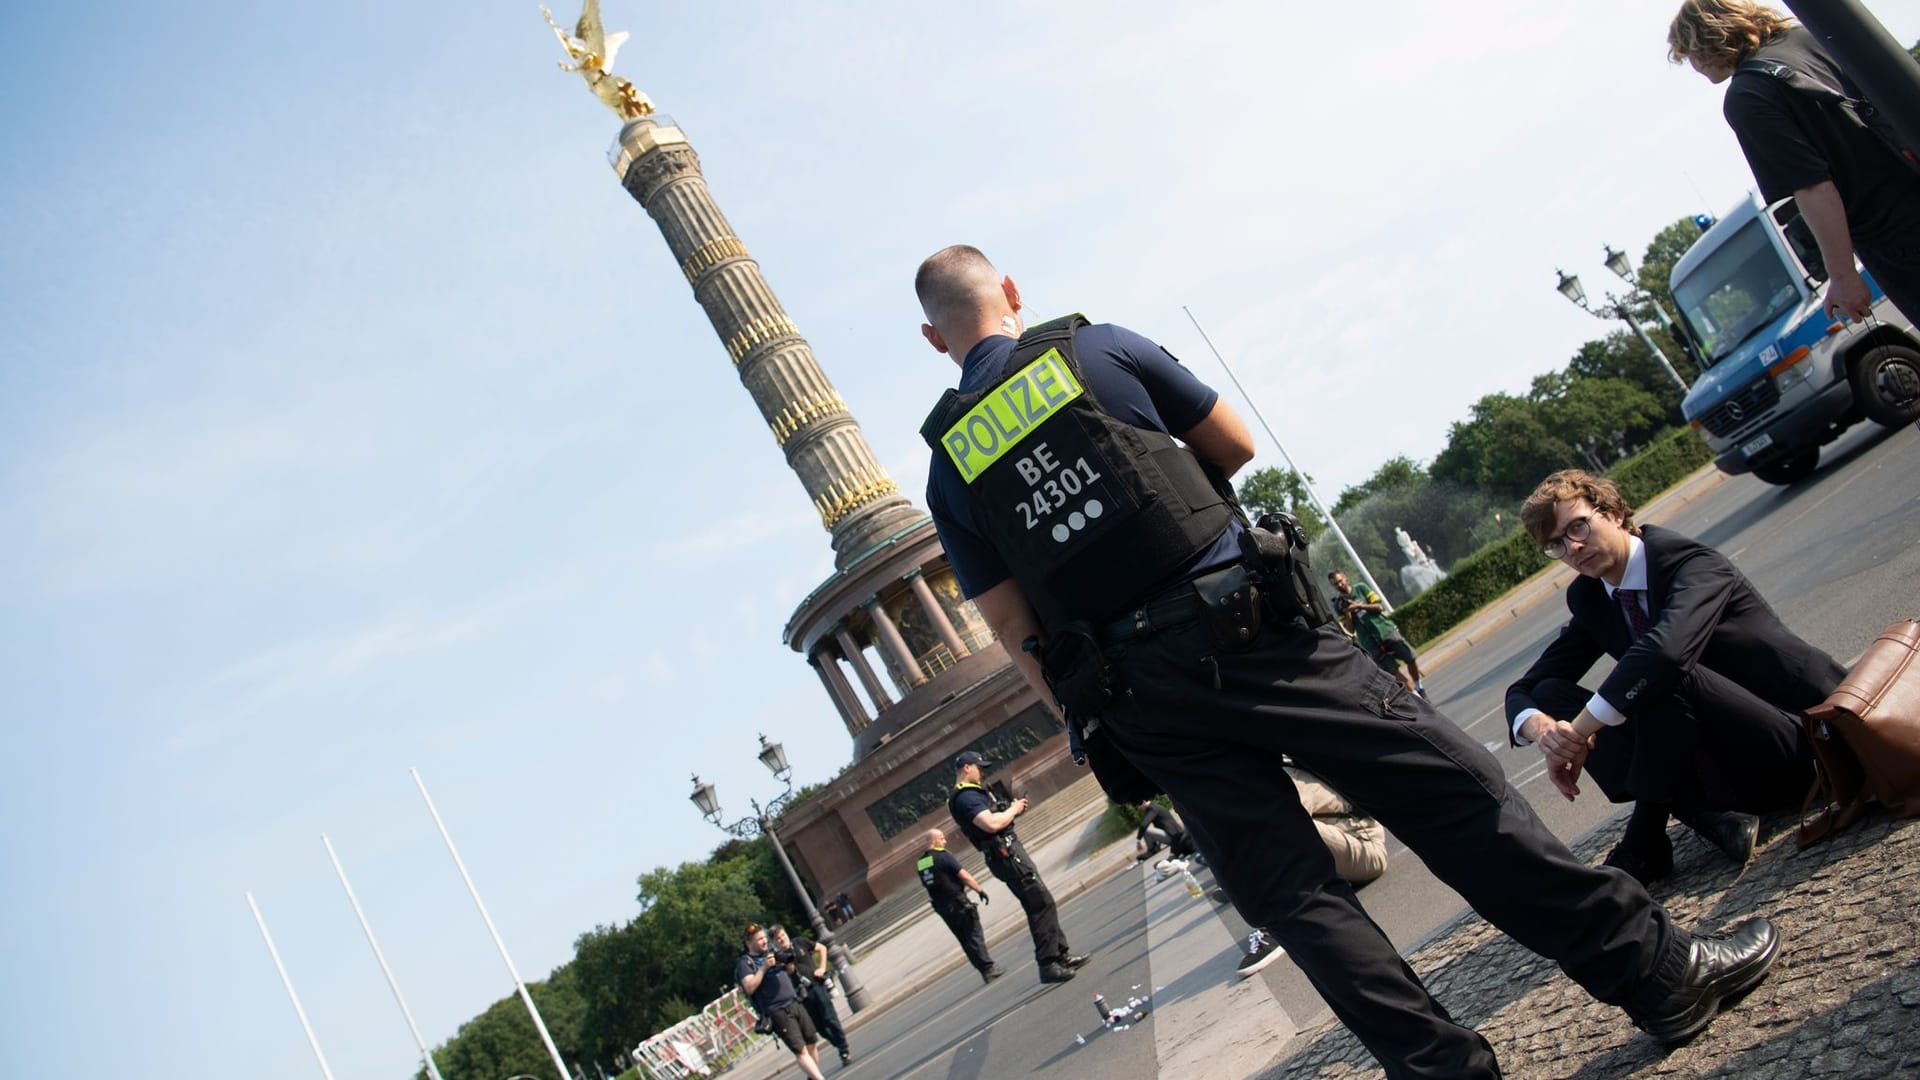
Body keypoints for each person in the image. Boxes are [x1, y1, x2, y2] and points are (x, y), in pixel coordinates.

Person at [913, 245, 1781, 1078]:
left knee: (1293, 896)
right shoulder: (1099, 348)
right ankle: (1656, 975)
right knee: (1448, 795)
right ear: (1013, 292)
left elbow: (1014, 627)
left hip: (1144, 694)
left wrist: (1099, 712)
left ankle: (1441, 1070)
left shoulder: (950, 466)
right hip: (1258, 630)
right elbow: (1235, 445)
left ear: (933, 339)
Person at [1505, 469, 1844, 884]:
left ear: (1612, 512)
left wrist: (1579, 731)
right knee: (1550, 692)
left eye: (1578, 526)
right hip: (1721, 767)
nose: (1573, 547)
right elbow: (1525, 688)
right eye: (1555, 544)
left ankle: (1644, 843)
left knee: (1660, 672)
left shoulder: (1691, 563)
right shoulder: (1591, 596)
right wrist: (1546, 733)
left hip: (1797, 744)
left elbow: (1665, 654)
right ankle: (1704, 816)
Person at [1669, 0, 1920, 324]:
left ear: (1707, 41)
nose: (1694, 66)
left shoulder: (1747, 96)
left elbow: (1815, 187)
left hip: (1896, 236)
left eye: (1689, 54)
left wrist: (1842, 276)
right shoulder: (1808, 38)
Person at [947, 750, 1088, 983]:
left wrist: (1010, 812)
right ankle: (1048, 962)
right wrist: (1011, 810)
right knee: (1040, 902)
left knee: (1038, 901)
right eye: (979, 767)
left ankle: (1060, 954)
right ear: (966, 768)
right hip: (1006, 854)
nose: (982, 771)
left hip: (1005, 852)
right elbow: (990, 824)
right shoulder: (966, 797)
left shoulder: (964, 796)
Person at [736, 923, 825, 1080]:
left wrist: (785, 962)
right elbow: (750, 987)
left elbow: (790, 970)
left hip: (794, 1001)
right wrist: (764, 967)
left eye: (764, 938)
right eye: (759, 939)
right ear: (749, 943)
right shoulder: (746, 963)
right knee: (800, 1050)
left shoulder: (772, 951)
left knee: (811, 1041)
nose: (764, 941)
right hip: (778, 1011)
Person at [916, 827, 1002, 983]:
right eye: (942, 838)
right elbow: (964, 876)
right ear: (935, 841)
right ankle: (989, 968)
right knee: (974, 934)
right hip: (957, 901)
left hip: (941, 906)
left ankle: (983, 970)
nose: (945, 841)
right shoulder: (943, 857)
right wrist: (979, 889)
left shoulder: (921, 863)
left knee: (964, 939)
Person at [1329, 570, 1426, 695]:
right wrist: (1348, 613)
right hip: (1369, 641)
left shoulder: (1361, 588)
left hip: (1385, 630)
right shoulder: (1338, 605)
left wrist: (1359, 606)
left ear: (1345, 578)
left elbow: (1379, 607)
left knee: (1409, 657)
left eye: (1340, 581)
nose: (1339, 585)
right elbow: (1350, 630)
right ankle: (1416, 696)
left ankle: (1419, 687)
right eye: (1335, 584)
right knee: (1392, 671)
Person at [768, 925, 850, 1067]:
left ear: (786, 934)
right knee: (819, 1028)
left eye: (783, 936)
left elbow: (822, 948)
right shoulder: (779, 958)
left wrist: (822, 967)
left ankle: (844, 1049)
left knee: (829, 1019)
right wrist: (787, 967)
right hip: (801, 995)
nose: (782, 940)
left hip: (816, 986)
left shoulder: (799, 942)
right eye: (778, 939)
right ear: (775, 942)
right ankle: (838, 1043)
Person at [1133, 798, 1200, 861]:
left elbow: (1144, 825)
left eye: (1139, 805)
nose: (1140, 808)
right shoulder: (1155, 807)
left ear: (1144, 802)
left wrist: (1138, 840)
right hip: (1175, 835)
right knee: (1150, 830)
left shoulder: (1153, 808)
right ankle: (1155, 848)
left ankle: (1152, 850)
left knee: (1147, 830)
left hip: (1174, 837)